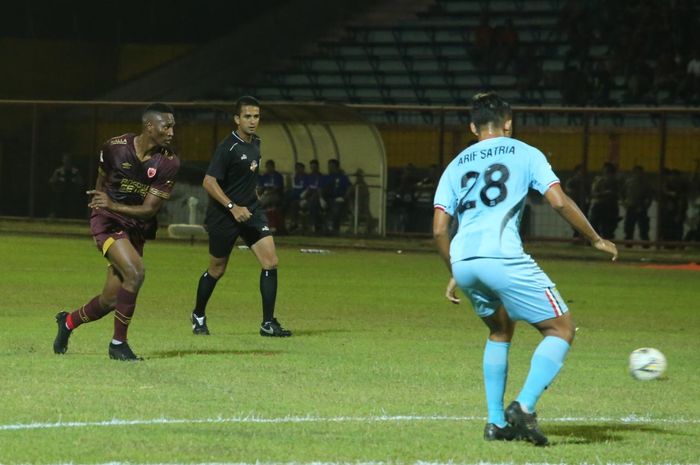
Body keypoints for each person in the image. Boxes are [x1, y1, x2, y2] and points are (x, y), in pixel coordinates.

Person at [433, 92, 617, 446]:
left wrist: (454, 268)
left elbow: (440, 228)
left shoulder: (455, 164)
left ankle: (495, 422)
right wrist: (594, 238)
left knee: (500, 330)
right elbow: (559, 201)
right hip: (503, 257)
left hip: (466, 261)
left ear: (473, 127)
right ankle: (524, 406)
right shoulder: (526, 152)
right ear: (509, 123)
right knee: (561, 328)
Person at [52, 103, 180, 361]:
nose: (172, 132)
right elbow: (102, 179)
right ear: (149, 126)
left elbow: (149, 210)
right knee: (136, 273)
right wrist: (102, 206)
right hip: (108, 221)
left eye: (173, 126)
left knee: (110, 300)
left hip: (136, 226)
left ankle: (67, 322)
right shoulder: (114, 147)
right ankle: (118, 345)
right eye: (167, 126)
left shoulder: (169, 163)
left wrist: (113, 203)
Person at [190, 96, 291, 337]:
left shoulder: (256, 142)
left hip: (251, 212)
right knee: (217, 269)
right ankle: (198, 315)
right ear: (237, 119)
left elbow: (246, 177)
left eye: (256, 116)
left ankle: (268, 324)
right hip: (224, 216)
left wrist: (252, 198)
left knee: (271, 262)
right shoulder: (228, 147)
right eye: (247, 116)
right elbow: (208, 181)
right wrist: (233, 206)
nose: (252, 121)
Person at [621, 166, 653, 244]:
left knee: (643, 228)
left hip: (641, 208)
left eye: (640, 173)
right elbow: (622, 194)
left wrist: (646, 206)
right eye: (637, 173)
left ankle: (645, 245)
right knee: (629, 228)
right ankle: (628, 244)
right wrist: (625, 204)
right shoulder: (628, 182)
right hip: (631, 207)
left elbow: (649, 196)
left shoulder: (646, 184)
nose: (638, 174)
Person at [589, 162, 620, 239]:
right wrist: (604, 193)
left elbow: (619, 193)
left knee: (608, 227)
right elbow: (594, 193)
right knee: (596, 225)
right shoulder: (599, 180)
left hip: (609, 206)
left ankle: (604, 240)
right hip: (601, 205)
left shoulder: (615, 181)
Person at [48, 153, 84, 219]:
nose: (67, 161)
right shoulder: (59, 171)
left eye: (68, 160)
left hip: (71, 194)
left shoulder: (75, 171)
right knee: (58, 206)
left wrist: (77, 188)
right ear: (63, 160)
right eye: (65, 160)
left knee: (71, 208)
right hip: (60, 193)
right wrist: (55, 188)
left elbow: (81, 182)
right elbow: (52, 181)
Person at [320, 158, 351, 234]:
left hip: (338, 199)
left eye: (332, 166)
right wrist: (321, 198)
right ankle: (319, 228)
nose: (329, 168)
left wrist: (344, 197)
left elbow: (350, 188)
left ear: (336, 167)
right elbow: (320, 188)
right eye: (329, 166)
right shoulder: (326, 177)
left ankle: (334, 229)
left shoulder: (342, 177)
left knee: (336, 207)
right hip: (327, 199)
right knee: (315, 205)